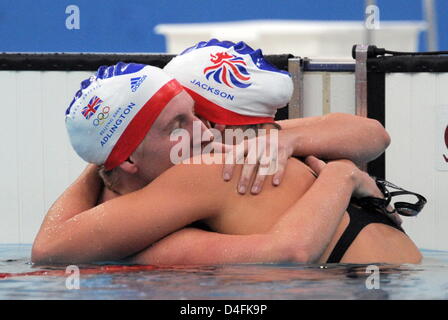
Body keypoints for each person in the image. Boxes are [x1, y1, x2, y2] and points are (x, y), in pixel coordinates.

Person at [31, 40, 421, 265]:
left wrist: (341, 172)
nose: (201, 133)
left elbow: (49, 249)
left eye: (196, 116)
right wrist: (343, 173)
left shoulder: (214, 164)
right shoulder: (231, 151)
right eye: (182, 122)